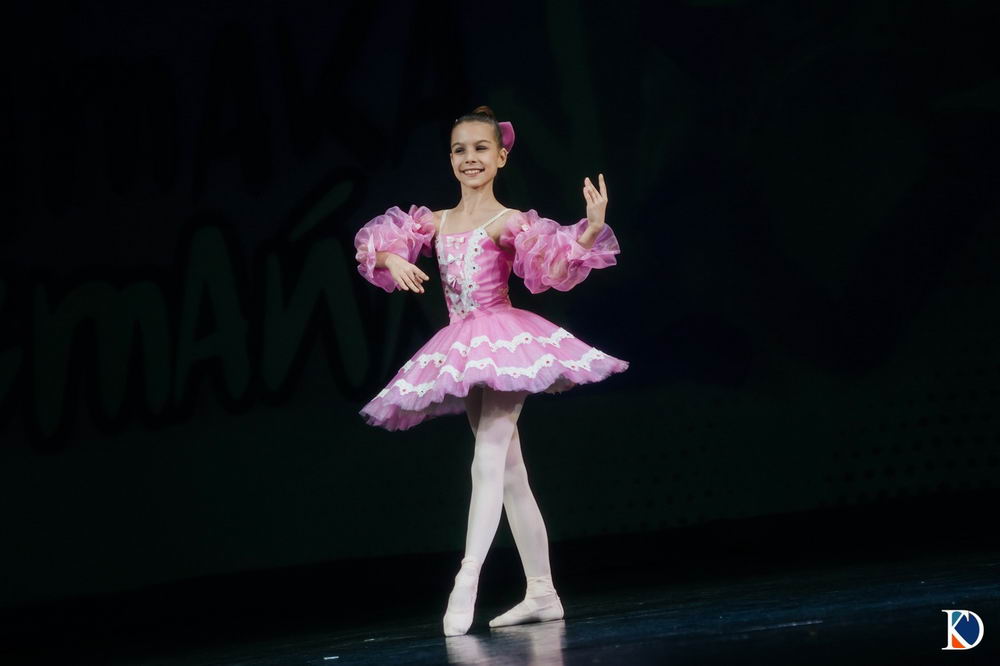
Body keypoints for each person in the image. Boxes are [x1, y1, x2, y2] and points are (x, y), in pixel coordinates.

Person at [353, 105, 628, 636]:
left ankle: (467, 578)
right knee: (511, 474)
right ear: (450, 159)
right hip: (462, 342)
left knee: (488, 455)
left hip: (502, 340)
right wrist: (393, 260)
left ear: (501, 157)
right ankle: (543, 592)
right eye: (460, 150)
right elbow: (373, 247)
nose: (470, 158)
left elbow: (551, 269)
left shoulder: (509, 222)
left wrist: (590, 231)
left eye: (481, 148)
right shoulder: (435, 221)